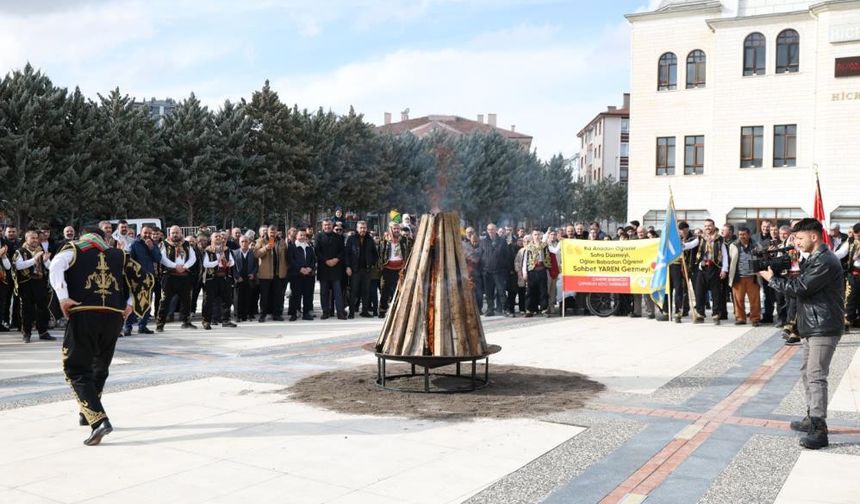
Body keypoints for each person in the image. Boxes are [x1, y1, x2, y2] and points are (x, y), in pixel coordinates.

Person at [49, 226, 154, 446]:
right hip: (113, 317)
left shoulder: (75, 249)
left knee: (76, 368)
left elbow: (56, 265)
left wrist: (62, 297)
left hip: (85, 312)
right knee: (100, 365)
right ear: (102, 236)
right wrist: (130, 305)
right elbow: (144, 279)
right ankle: (86, 413)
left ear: (83, 235)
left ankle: (98, 421)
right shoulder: (119, 254)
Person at [760, 218, 845, 450]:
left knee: (816, 375)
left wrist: (772, 279)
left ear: (814, 236)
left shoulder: (825, 261)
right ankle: (811, 416)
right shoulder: (816, 259)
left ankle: (819, 429)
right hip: (812, 324)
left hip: (823, 326)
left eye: (799, 238)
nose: (796, 243)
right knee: (807, 373)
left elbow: (800, 289)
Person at [13, 230, 54, 342]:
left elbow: (49, 267)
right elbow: (19, 266)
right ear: (26, 239)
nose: (35, 240)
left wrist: (46, 261)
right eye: (32, 238)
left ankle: (43, 332)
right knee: (27, 309)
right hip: (26, 283)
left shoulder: (41, 250)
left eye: (36, 238)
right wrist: (34, 259)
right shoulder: (20, 251)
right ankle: (26, 333)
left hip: (40, 282)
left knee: (43, 308)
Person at [156, 226, 197, 331]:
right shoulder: (164, 244)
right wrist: (175, 266)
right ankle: (160, 324)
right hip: (169, 276)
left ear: (181, 233)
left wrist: (185, 267)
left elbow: (193, 258)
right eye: (173, 233)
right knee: (165, 300)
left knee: (187, 300)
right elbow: (162, 258)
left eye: (177, 233)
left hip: (184, 276)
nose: (175, 235)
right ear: (170, 234)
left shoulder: (187, 244)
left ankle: (186, 322)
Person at [123, 225, 161, 336]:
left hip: (149, 278)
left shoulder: (153, 244)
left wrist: (152, 248)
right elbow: (130, 261)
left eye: (150, 233)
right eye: (146, 233)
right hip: (136, 279)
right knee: (133, 302)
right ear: (141, 232)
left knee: (147, 303)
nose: (148, 235)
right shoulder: (134, 244)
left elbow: (158, 258)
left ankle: (142, 326)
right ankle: (128, 327)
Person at [693, 218, 728, 325]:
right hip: (702, 268)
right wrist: (681, 246)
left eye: (709, 225)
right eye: (706, 226)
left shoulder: (719, 239)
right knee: (699, 292)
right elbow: (691, 245)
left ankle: (716, 315)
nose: (707, 228)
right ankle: (700, 314)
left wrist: (724, 270)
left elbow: (725, 255)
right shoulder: (701, 238)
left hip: (715, 268)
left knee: (716, 293)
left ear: (713, 226)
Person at [201, 232, 237, 330]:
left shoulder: (226, 249)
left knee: (227, 300)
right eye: (215, 236)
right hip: (212, 279)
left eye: (219, 236)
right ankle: (206, 321)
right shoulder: (208, 250)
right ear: (211, 239)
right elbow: (206, 264)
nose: (218, 238)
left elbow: (233, 261)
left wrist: (229, 263)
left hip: (224, 278)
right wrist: (218, 261)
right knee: (208, 301)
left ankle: (226, 320)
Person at [728, 227, 761, 326]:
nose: (742, 236)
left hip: (753, 277)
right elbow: (731, 259)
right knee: (738, 299)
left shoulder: (756, 245)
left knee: (754, 300)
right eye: (740, 234)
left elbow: (760, 257)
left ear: (749, 234)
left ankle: (755, 318)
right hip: (738, 277)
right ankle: (740, 318)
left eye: (744, 234)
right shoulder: (733, 245)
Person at [254, 225, 288, 322]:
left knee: (277, 296)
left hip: (278, 274)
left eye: (274, 232)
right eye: (271, 233)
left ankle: (276, 314)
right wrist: (265, 248)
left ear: (277, 232)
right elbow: (256, 254)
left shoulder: (281, 241)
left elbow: (285, 257)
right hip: (265, 274)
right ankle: (263, 315)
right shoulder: (261, 241)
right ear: (267, 233)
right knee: (264, 296)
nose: (272, 234)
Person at [378, 221, 411, 319]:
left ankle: (399, 310)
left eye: (398, 228)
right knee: (385, 290)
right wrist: (381, 266)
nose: (396, 230)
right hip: (387, 268)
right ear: (390, 229)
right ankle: (382, 310)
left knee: (401, 289)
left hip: (400, 268)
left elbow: (409, 251)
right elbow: (380, 254)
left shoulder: (404, 240)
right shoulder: (384, 240)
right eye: (394, 228)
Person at [345, 221, 378, 318]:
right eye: (361, 228)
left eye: (364, 228)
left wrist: (371, 264)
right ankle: (351, 312)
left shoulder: (370, 239)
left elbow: (375, 254)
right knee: (353, 292)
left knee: (366, 292)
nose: (363, 230)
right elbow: (346, 254)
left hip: (366, 270)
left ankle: (365, 311)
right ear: (357, 228)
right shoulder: (351, 239)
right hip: (354, 270)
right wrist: (347, 266)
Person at [315, 219, 346, 320]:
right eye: (325, 225)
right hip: (324, 268)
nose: (327, 227)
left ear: (332, 225)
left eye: (329, 225)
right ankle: (325, 312)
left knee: (338, 293)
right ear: (322, 226)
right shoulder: (318, 237)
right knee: (324, 292)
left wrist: (336, 259)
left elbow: (342, 251)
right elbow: (317, 251)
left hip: (336, 268)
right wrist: (326, 260)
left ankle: (340, 313)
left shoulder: (339, 237)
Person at [480, 223, 509, 317]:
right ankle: (490, 309)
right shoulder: (483, 241)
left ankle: (504, 309)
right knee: (489, 292)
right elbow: (480, 255)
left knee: (501, 291)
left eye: (492, 229)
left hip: (499, 271)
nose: (490, 231)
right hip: (487, 271)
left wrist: (504, 268)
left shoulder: (502, 241)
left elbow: (507, 256)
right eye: (489, 230)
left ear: (496, 230)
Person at [287, 229, 316, 321]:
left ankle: (306, 313)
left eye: (304, 235)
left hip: (308, 275)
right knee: (296, 295)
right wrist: (300, 269)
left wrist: (310, 268)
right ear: (296, 236)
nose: (302, 237)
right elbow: (291, 260)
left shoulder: (309, 247)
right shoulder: (292, 247)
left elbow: (313, 260)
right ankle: (294, 313)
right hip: (296, 275)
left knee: (308, 295)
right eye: (300, 235)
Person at [521, 229, 550, 317]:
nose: (537, 236)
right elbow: (525, 260)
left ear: (540, 236)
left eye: (538, 234)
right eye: (535, 235)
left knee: (543, 291)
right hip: (532, 271)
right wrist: (524, 272)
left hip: (542, 270)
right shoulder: (528, 247)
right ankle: (529, 309)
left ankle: (544, 309)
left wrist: (548, 270)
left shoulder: (544, 245)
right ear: (532, 236)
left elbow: (548, 257)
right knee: (530, 291)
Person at [232, 236, 257, 322]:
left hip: (249, 278)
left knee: (248, 297)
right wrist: (237, 277)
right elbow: (232, 267)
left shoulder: (252, 253)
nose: (244, 243)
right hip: (239, 279)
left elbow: (256, 266)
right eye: (242, 241)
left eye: (246, 241)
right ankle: (237, 316)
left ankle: (246, 315)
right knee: (237, 298)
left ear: (249, 243)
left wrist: (253, 274)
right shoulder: (234, 253)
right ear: (239, 243)